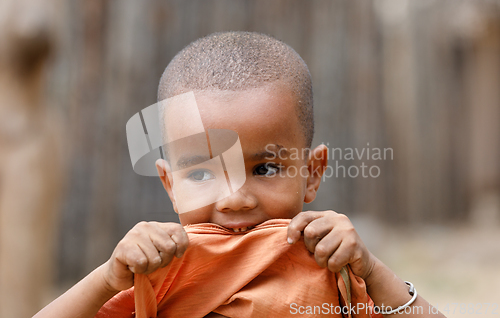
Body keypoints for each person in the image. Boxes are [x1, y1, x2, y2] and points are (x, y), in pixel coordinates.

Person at [34, 32, 444, 318]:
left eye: (264, 168)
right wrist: (107, 279)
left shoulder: (326, 262)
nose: (235, 199)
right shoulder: (166, 268)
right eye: (201, 175)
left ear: (312, 173)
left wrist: (371, 271)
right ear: (170, 185)